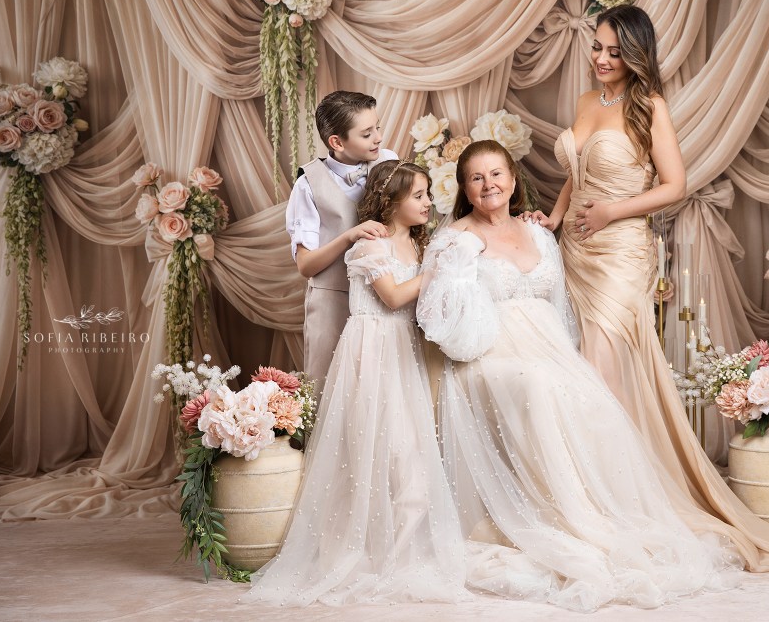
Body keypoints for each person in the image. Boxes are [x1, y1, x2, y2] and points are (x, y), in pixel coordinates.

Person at [529, 5, 769, 573]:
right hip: (577, 249)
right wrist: (555, 219)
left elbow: (675, 186)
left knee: (601, 362)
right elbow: (574, 175)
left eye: (613, 51)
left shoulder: (648, 107)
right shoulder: (585, 102)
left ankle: (618, 492)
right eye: (597, 48)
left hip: (621, 248)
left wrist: (613, 212)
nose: (601, 59)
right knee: (583, 359)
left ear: (635, 54)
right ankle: (590, 487)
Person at [418, 140, 742, 613]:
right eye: (476, 178)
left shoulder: (540, 234)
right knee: (539, 385)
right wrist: (462, 267)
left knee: (588, 393)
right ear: (464, 189)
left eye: (497, 174)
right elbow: (441, 318)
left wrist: (571, 358)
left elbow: (561, 309)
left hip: (546, 349)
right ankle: (561, 517)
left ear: (513, 179)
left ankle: (595, 515)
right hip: (488, 355)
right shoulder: (454, 240)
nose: (489, 185)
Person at [246, 161, 467, 606]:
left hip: (403, 354)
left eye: (428, 193)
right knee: (376, 447)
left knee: (411, 453)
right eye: (419, 195)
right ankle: (369, 547)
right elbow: (393, 297)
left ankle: (403, 549)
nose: (428, 202)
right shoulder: (370, 248)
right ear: (389, 202)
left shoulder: (419, 248)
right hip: (371, 355)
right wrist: (445, 268)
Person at [287, 91, 398, 390]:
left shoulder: (389, 162)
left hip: (386, 297)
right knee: (330, 391)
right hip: (333, 301)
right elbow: (306, 265)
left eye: (377, 127)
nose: (378, 137)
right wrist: (348, 235)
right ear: (337, 142)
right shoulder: (307, 184)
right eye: (366, 133)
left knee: (384, 391)